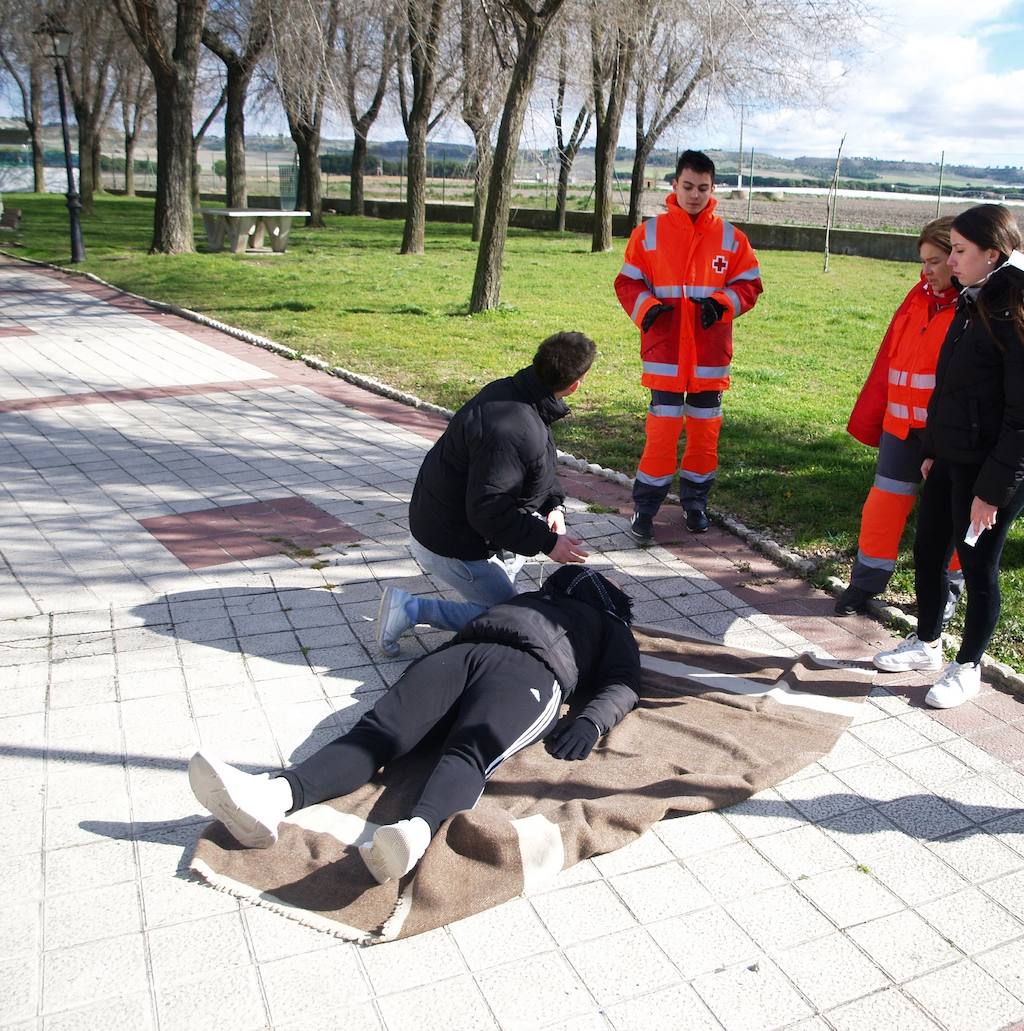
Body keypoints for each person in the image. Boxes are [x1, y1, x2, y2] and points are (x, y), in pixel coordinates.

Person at [189, 567, 640, 884]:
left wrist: (590, 722)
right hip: (460, 655)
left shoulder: (611, 626)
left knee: (468, 751)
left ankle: (413, 835)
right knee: (376, 733)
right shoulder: (531, 599)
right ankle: (270, 796)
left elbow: (623, 683)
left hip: (532, 675)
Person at [873, 204, 1024, 709]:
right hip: (950, 459)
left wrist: (991, 491)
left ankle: (967, 667)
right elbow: (951, 389)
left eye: (961, 252)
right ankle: (926, 643)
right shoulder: (974, 300)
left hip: (990, 474)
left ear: (994, 254)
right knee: (926, 553)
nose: (952, 260)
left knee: (978, 568)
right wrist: (933, 450)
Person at [376, 331, 596, 656]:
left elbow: (538, 462)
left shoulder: (514, 395)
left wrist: (554, 506)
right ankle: (409, 609)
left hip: (440, 521)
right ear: (577, 383)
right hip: (449, 543)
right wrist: (549, 544)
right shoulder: (515, 426)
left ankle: (499, 570)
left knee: (513, 576)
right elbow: (488, 509)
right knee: (513, 619)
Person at [614, 150, 763, 543]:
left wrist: (721, 303)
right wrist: (646, 309)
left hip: (709, 360)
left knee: (703, 435)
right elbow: (628, 283)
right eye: (687, 186)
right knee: (660, 435)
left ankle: (696, 504)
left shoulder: (732, 238)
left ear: (713, 188)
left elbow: (750, 286)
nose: (694, 194)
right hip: (665, 355)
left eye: (702, 187)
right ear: (674, 186)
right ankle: (645, 510)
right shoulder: (647, 234)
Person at [836, 217, 964, 617]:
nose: (926, 271)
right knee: (882, 508)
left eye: (935, 261)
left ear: (959, 258)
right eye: (923, 262)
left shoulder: (975, 306)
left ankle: (950, 592)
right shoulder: (918, 295)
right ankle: (865, 583)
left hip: (944, 434)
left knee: (951, 517)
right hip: (900, 427)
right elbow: (889, 357)